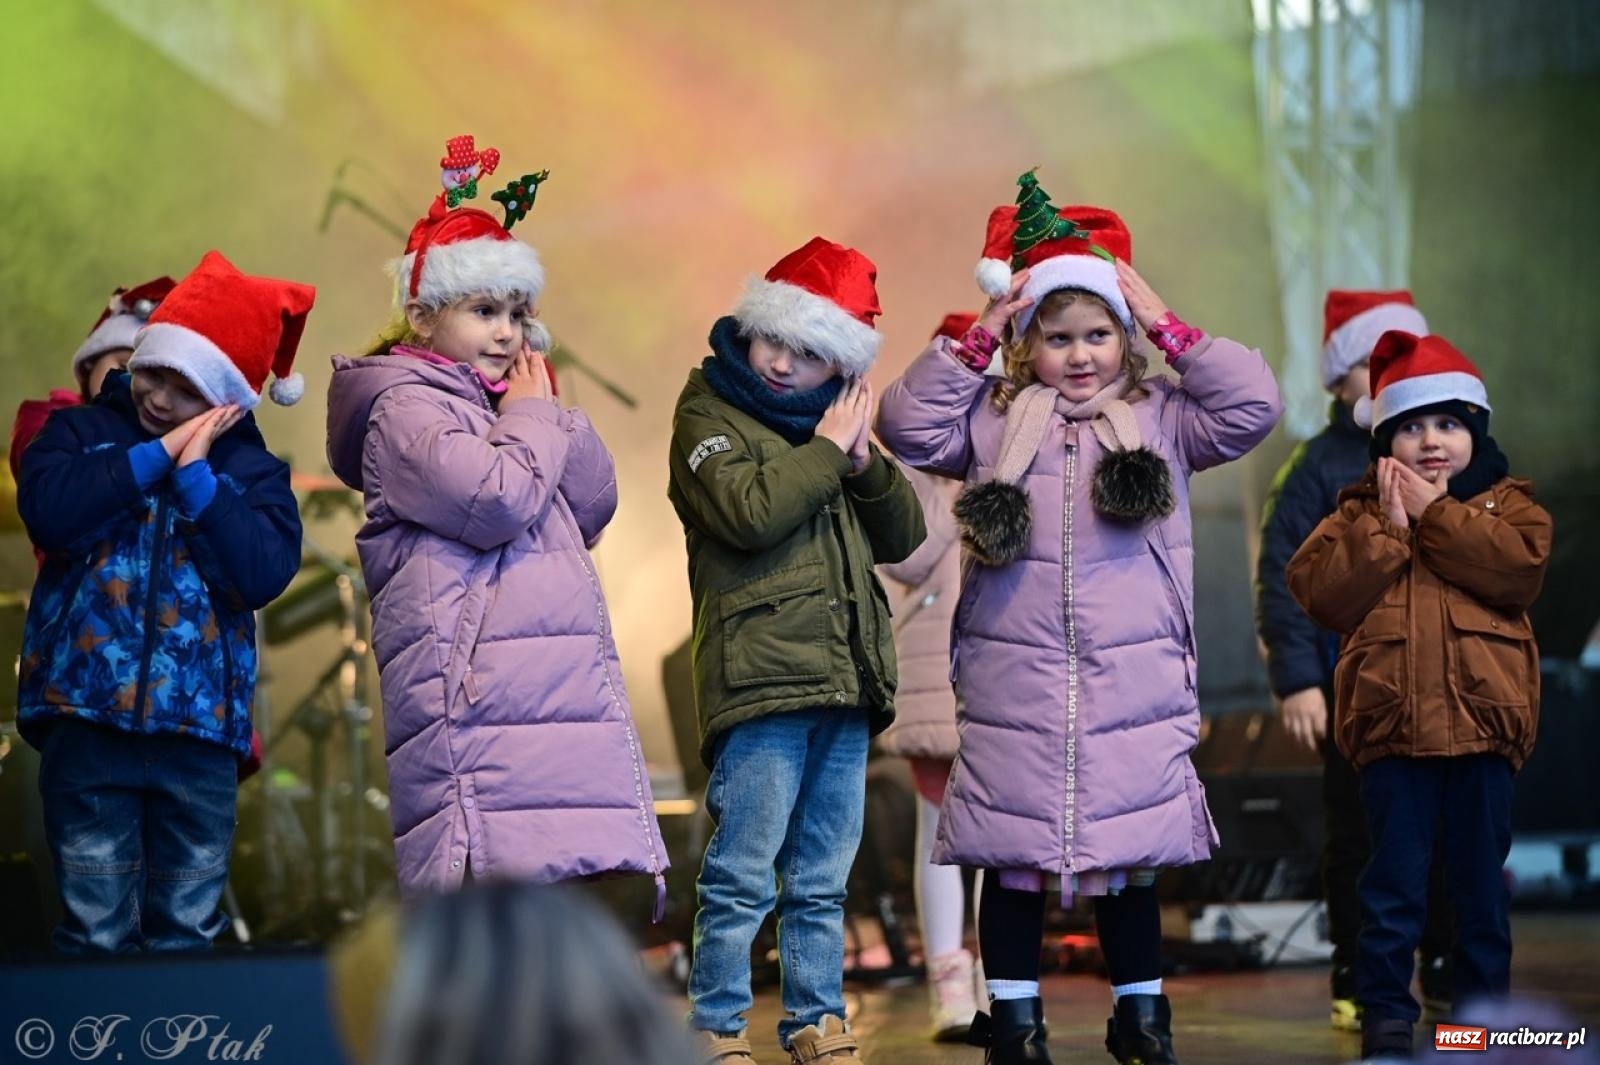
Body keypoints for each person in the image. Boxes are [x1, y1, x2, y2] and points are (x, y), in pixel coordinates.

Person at [877, 170, 1282, 1064]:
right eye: (1056, 337)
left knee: (1127, 865)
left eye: (1099, 332)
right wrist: (976, 335)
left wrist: (1173, 327)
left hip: (1126, 685)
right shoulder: (989, 423)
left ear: (1126, 336)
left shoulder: (1166, 422)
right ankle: (1013, 1022)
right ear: (1027, 347)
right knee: (1014, 864)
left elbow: (1256, 405)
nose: (1081, 352)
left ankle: (1142, 1014)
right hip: (1014, 680)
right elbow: (905, 427)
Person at [324, 136, 667, 903]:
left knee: (586, 911)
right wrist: (533, 416)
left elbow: (593, 504)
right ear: (420, 315)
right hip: (483, 711)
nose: (507, 332)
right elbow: (495, 500)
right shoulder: (401, 410)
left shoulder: (515, 409)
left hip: (549, 702)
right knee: (509, 934)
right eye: (484, 310)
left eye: (518, 313)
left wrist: (547, 407)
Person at [667, 236, 926, 1064]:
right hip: (761, 681)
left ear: (840, 368)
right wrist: (825, 452)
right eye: (774, 337)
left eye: (810, 352)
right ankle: (715, 1023)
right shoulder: (707, 409)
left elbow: (907, 536)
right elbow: (748, 511)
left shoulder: (835, 439)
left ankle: (817, 1018)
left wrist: (863, 462)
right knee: (743, 868)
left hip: (843, 681)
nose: (781, 362)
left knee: (822, 872)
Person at [16, 250, 309, 952]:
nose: (158, 398)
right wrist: (155, 456)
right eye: (154, 371)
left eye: (187, 388)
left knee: (185, 932)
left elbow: (264, 571)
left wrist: (199, 476)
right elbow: (51, 511)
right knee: (95, 928)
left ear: (228, 399)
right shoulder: (81, 433)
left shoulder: (253, 471)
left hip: (198, 740)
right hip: (87, 722)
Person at [1288, 329, 1551, 1060]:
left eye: (1448, 423)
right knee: (1391, 891)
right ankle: (1386, 1024)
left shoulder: (1511, 510)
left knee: (1478, 896)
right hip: (1394, 737)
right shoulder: (1359, 513)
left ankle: (1478, 1028)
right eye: (1410, 426)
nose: (1431, 441)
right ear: (1384, 439)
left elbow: (1516, 572)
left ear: (1474, 431)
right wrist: (1387, 530)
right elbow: (1319, 594)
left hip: (1482, 735)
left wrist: (1436, 514)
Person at [1254, 289, 1454, 1028]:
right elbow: (1282, 572)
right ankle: (1357, 971)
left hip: (1439, 687)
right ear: (1342, 378)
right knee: (1360, 835)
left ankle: (1443, 967)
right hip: (1356, 687)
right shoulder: (1317, 466)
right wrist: (1300, 678)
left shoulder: (1445, 451)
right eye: (1375, 363)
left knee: (1445, 832)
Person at [876, 312, 986, 1042]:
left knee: (1001, 834)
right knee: (938, 829)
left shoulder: (1017, 449)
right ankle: (949, 982)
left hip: (1001, 663)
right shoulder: (911, 473)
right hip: (932, 667)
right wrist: (951, 497)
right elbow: (905, 559)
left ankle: (992, 976)